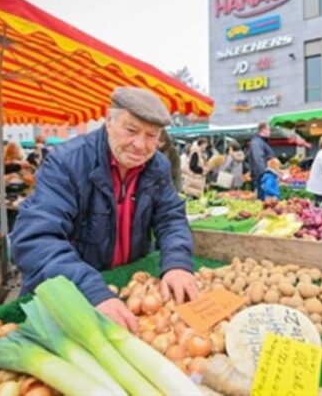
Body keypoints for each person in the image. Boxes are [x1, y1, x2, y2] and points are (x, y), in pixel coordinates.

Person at [11, 88, 198, 333]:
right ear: (109, 121)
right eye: (130, 130)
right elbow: (35, 239)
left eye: (152, 135)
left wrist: (177, 263)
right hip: (69, 291)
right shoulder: (66, 161)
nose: (140, 145)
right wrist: (90, 289)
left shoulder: (158, 165)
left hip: (124, 285)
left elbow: (170, 218)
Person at [247, 122, 275, 199]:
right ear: (263, 130)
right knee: (262, 198)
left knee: (266, 198)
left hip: (263, 174)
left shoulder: (262, 141)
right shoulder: (257, 142)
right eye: (269, 129)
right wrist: (264, 173)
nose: (270, 132)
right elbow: (258, 158)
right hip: (260, 175)